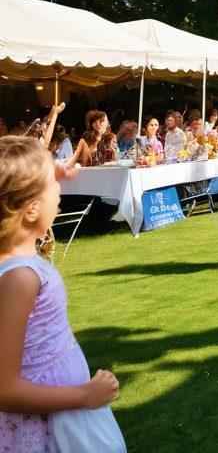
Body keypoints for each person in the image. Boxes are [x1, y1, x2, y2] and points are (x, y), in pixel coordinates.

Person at [0, 136, 126, 452]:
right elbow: (4, 387)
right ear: (31, 210)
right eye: (52, 184)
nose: (59, 189)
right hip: (49, 426)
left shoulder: (23, 266)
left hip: (63, 414)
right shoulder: (20, 278)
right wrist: (84, 395)